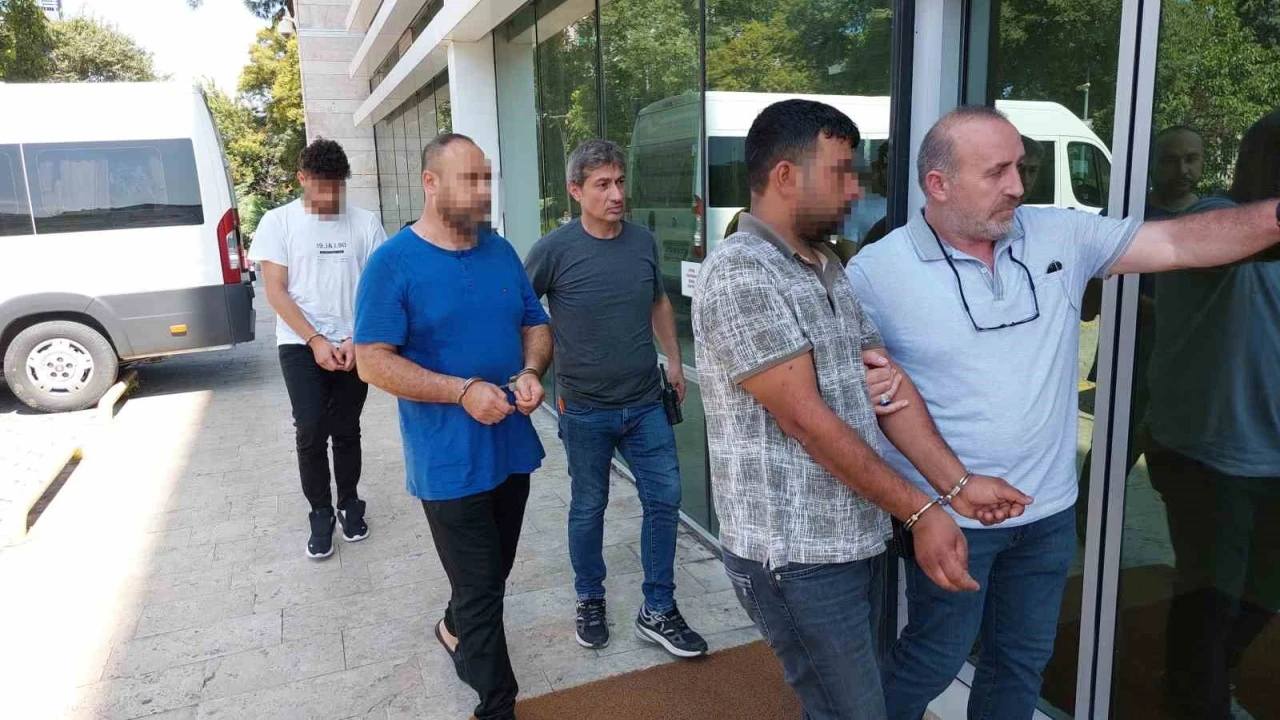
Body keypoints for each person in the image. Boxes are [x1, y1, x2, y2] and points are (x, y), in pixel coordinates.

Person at [846, 105, 1280, 720]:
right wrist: (925, 508)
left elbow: (1182, 240)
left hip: (1048, 512)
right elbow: (870, 402)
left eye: (1020, 167)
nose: (1017, 186)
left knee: (1021, 661)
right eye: (996, 172)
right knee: (935, 657)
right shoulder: (876, 273)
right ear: (938, 184)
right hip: (953, 516)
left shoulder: (1059, 235)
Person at [693, 99, 1033, 719]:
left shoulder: (824, 265)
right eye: (841, 172)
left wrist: (957, 486)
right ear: (786, 176)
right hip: (795, 559)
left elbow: (886, 388)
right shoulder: (740, 273)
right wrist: (922, 511)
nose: (856, 189)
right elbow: (807, 421)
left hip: (854, 540)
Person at [353, 133, 553, 720]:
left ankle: (451, 626)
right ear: (430, 183)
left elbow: (535, 324)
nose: (483, 191)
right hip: (446, 459)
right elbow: (372, 361)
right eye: (470, 179)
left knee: (491, 574)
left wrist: (531, 370)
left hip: (510, 446)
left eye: (486, 178)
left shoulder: (500, 250)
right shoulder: (393, 263)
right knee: (484, 590)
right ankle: (497, 704)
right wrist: (461, 390)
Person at [524, 139, 708, 657]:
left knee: (665, 498)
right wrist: (527, 370)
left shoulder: (643, 242)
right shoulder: (553, 250)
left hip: (646, 402)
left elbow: (659, 302)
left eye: (620, 182)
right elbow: (522, 310)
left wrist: (674, 361)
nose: (616, 194)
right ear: (575, 190)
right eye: (602, 184)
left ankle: (659, 609)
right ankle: (589, 597)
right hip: (584, 408)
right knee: (589, 505)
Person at [1144, 111, 1280, 720]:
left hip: (1268, 456)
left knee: (1262, 593)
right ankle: (1195, 697)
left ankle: (1206, 682)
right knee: (1211, 601)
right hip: (1206, 455)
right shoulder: (1211, 221)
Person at [248, 138, 386, 559]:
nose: (329, 197)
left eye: (337, 187)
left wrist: (356, 338)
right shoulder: (278, 222)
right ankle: (320, 511)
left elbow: (378, 289)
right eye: (321, 187)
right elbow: (275, 290)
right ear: (302, 179)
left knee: (347, 427)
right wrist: (315, 339)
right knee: (310, 429)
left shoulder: (365, 224)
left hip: (354, 342)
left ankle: (349, 503)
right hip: (299, 342)